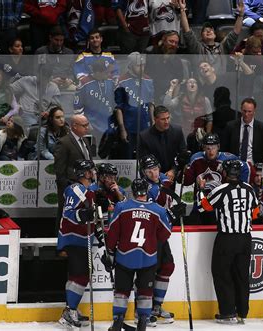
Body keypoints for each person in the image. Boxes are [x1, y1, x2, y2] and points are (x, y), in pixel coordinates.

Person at [104, 178, 172, 331]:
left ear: (133, 191)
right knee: (145, 292)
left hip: (124, 256)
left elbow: (113, 232)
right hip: (147, 258)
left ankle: (118, 319)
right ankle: (143, 320)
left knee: (121, 292)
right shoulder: (158, 210)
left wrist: (109, 251)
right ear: (147, 191)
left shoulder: (122, 207)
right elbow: (165, 235)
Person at [198, 159, 258, 324]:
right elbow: (255, 213)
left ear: (224, 172)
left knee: (222, 273)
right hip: (246, 239)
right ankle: (242, 312)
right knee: (241, 275)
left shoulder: (221, 190)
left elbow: (204, 208)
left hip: (227, 238)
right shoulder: (249, 189)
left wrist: (201, 190)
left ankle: (227, 312)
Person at [56, 159, 104, 329]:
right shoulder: (75, 189)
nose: (94, 173)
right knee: (80, 275)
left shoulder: (88, 190)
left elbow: (91, 215)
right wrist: (84, 214)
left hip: (83, 238)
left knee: (79, 275)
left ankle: (71, 309)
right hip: (73, 238)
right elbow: (69, 213)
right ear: (84, 173)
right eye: (91, 170)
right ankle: (69, 312)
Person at [139, 154, 186, 324]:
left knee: (167, 266)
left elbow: (172, 178)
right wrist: (173, 213)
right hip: (150, 235)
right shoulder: (146, 189)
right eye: (149, 170)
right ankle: (142, 312)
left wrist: (179, 166)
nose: (154, 173)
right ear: (143, 173)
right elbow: (152, 216)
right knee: (149, 272)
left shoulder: (162, 179)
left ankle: (157, 306)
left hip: (162, 236)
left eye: (156, 168)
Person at [181, 133, 249, 225]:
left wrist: (237, 187)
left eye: (213, 148)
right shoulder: (196, 158)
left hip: (222, 206)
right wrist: (185, 169)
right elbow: (186, 182)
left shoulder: (228, 159)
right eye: (208, 148)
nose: (211, 151)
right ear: (203, 148)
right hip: (201, 205)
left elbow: (246, 168)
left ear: (218, 147)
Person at [179, 0, 243, 72]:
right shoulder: (197, 48)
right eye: (205, 31)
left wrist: (240, 15)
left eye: (211, 30)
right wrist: (182, 10)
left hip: (221, 81)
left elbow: (235, 33)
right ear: (201, 36)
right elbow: (187, 31)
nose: (209, 31)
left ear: (215, 35)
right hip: (202, 80)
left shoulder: (222, 48)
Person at [54, 115, 92, 232]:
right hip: (70, 185)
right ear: (74, 126)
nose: (87, 128)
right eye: (84, 125)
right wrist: (66, 187)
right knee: (65, 214)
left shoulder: (85, 140)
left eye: (87, 124)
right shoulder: (64, 142)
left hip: (85, 185)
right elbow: (59, 169)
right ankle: (60, 241)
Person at [115, 52, 154, 159]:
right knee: (129, 157)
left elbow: (151, 104)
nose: (142, 68)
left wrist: (153, 125)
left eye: (143, 65)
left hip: (145, 127)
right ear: (131, 65)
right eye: (138, 65)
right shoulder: (122, 81)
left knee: (145, 157)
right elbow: (119, 108)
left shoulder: (148, 80)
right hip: (129, 127)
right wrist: (122, 129)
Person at [163, 77, 213, 152]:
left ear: (198, 86)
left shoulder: (205, 100)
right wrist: (172, 87)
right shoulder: (180, 98)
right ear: (186, 86)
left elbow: (210, 119)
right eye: (189, 82)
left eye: (194, 82)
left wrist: (207, 136)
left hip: (200, 134)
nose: (192, 84)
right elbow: (167, 104)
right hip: (184, 134)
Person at [138, 105, 186, 183]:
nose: (166, 121)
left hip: (174, 175)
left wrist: (174, 170)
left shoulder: (177, 131)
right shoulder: (144, 136)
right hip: (153, 177)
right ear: (155, 119)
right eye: (163, 119)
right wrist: (159, 175)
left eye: (168, 118)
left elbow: (183, 154)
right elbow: (144, 162)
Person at [223, 97, 263, 164]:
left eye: (249, 111)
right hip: (234, 166)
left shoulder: (262, 128)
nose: (246, 114)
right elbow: (224, 150)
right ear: (241, 110)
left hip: (254, 166)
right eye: (244, 111)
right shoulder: (231, 126)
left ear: (254, 111)